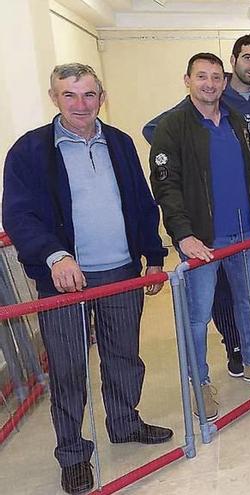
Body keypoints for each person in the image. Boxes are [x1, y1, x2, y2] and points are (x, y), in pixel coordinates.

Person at [2, 63, 172, 495]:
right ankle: (73, 454)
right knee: (68, 369)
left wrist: (153, 256)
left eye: (89, 94)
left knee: (124, 357)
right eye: (70, 95)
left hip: (119, 271)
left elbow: (141, 203)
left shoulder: (118, 142)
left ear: (102, 96)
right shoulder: (29, 150)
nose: (81, 104)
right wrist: (54, 255)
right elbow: (19, 216)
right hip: (62, 281)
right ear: (54, 97)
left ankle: (124, 422)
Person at [149, 53, 250, 421]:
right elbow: (166, 186)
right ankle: (201, 383)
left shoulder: (235, 121)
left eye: (215, 77)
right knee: (197, 316)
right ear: (187, 80)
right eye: (201, 77)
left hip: (244, 234)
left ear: (224, 83)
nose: (209, 83)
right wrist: (183, 234)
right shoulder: (172, 126)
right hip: (203, 242)